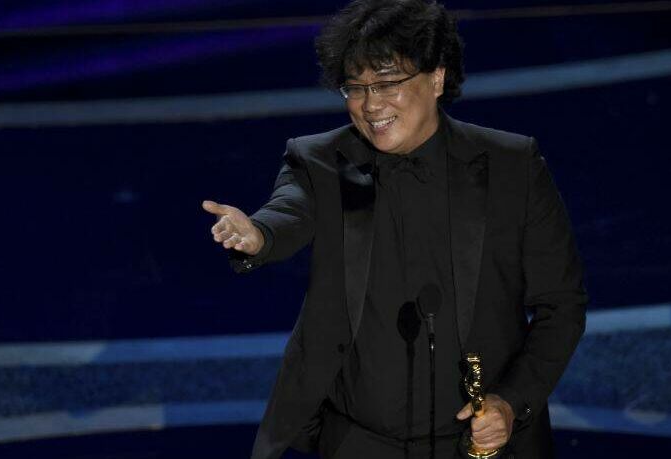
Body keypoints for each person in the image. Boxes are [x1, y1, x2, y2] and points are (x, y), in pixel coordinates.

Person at [202, 1, 587, 458]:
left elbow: (561, 307)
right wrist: (260, 235)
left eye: (386, 83)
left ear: (437, 79)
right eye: (355, 88)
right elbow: (291, 209)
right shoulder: (324, 162)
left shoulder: (511, 166)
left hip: (480, 443)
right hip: (358, 442)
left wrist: (509, 403)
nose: (370, 104)